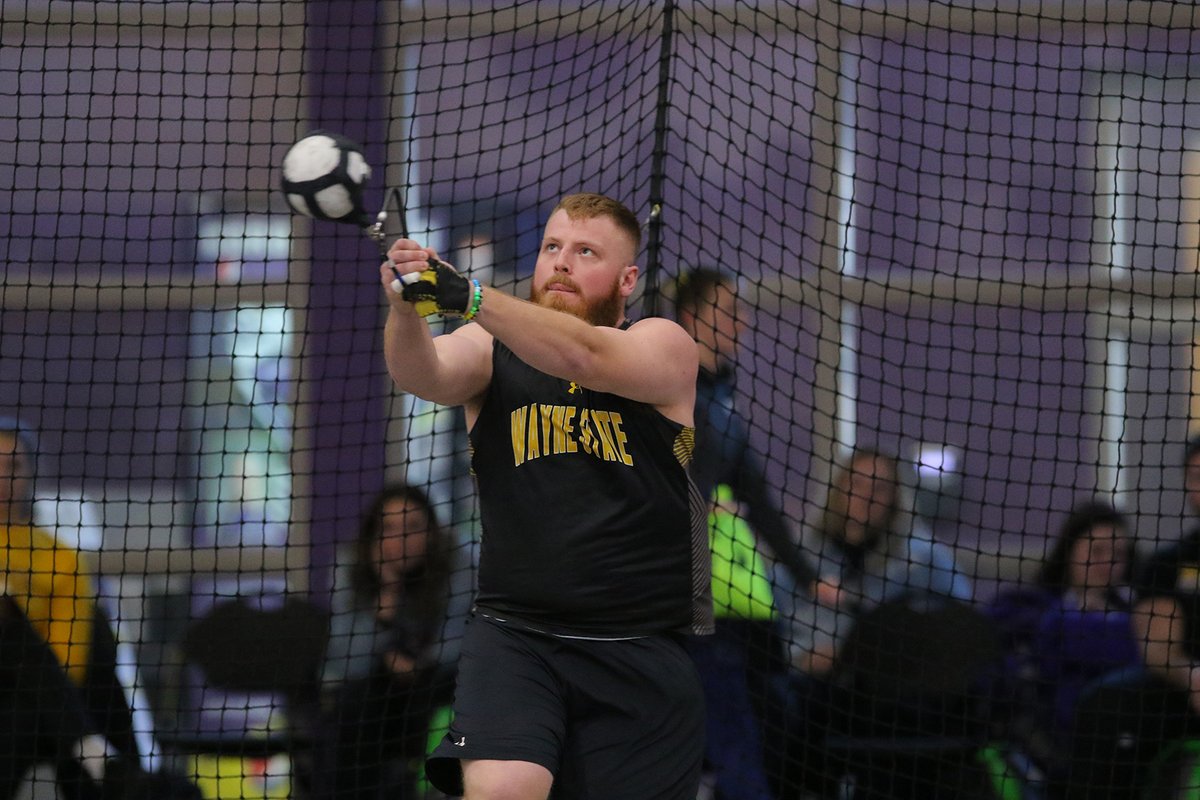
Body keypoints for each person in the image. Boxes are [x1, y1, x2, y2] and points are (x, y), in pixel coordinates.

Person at [378, 193, 713, 799]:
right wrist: (406, 309)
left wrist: (471, 298)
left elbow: (585, 354)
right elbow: (422, 375)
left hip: (639, 648)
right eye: (552, 247)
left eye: (586, 252)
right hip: (518, 636)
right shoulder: (489, 348)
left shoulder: (663, 344)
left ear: (627, 279)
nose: (562, 263)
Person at [0, 417, 200, 800]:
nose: (4, 478)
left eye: (13, 466)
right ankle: (109, 766)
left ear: (30, 473)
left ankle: (110, 771)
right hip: (38, 702)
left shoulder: (59, 558)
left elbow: (69, 657)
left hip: (30, 709)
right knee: (12, 629)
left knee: (95, 637)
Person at [672, 267, 813, 800]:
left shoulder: (722, 403)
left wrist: (809, 577)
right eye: (728, 310)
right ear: (691, 318)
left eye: (741, 311)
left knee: (755, 728)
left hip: (730, 609)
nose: (742, 322)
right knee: (730, 739)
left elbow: (757, 497)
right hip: (683, 605)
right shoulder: (671, 392)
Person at [771, 448, 974, 797]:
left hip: (894, 698)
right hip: (815, 691)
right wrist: (801, 658)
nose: (865, 497)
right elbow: (771, 629)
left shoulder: (923, 560)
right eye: (857, 483)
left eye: (878, 488)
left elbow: (958, 627)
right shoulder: (801, 556)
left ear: (895, 500)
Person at [317, 483, 457, 800]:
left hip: (434, 688)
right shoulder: (350, 569)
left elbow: (461, 643)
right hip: (373, 694)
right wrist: (386, 597)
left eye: (413, 527)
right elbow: (345, 658)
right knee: (352, 706)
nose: (401, 539)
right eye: (389, 528)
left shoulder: (455, 567)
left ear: (432, 533)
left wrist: (419, 664)